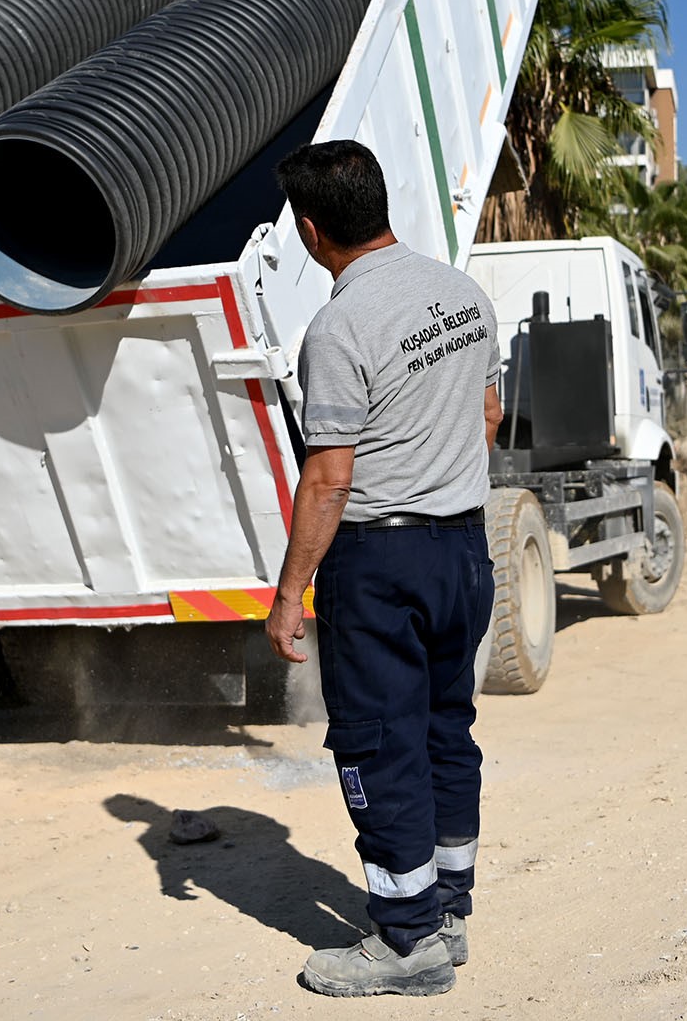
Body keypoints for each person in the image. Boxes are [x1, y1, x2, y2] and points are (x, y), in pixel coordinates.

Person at [264, 140, 502, 999]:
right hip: (463, 548)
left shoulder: (338, 326)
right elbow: (487, 412)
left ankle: (405, 940)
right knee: (446, 727)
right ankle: (447, 914)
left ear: (310, 227)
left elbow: (329, 476)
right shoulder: (464, 296)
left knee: (378, 741)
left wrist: (291, 593)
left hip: (383, 557)